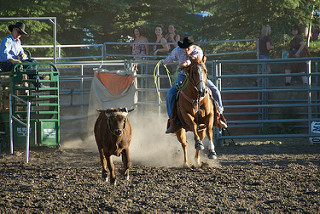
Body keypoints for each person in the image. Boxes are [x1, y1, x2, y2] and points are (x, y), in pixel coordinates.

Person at [162, 37, 227, 134]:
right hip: (183, 76)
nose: (186, 50)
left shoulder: (198, 50)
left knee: (215, 90)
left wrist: (186, 63)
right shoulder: (178, 50)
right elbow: (170, 58)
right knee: (170, 95)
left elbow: (195, 60)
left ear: (192, 46)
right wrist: (163, 62)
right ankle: (173, 120)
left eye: (188, 48)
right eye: (184, 48)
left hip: (198, 77)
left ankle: (219, 116)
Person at [0, 22, 41, 87]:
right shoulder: (7, 40)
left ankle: (36, 78)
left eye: (21, 33)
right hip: (6, 64)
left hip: (15, 64)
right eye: (18, 32)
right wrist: (12, 60)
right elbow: (4, 54)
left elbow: (21, 52)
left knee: (33, 61)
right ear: (13, 29)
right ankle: (38, 83)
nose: (19, 35)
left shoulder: (18, 42)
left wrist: (23, 55)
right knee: (28, 66)